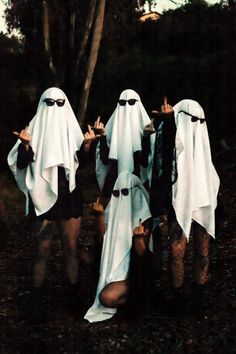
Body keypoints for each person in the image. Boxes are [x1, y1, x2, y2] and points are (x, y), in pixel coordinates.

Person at [8, 87, 97, 322]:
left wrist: (87, 146)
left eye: (60, 102)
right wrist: (26, 146)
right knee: (42, 250)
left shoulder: (71, 128)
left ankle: (74, 298)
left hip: (69, 195)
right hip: (43, 195)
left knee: (70, 246)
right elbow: (21, 164)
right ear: (41, 104)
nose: (54, 107)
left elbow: (81, 162)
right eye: (49, 102)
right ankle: (37, 303)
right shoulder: (33, 130)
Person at [144, 98, 220, 318]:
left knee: (201, 249)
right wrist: (168, 123)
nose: (195, 124)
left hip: (202, 198)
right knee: (178, 249)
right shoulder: (169, 136)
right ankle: (178, 300)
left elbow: (204, 168)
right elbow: (169, 153)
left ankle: (197, 300)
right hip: (179, 199)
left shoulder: (198, 141)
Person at [84, 171, 152, 323]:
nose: (121, 197)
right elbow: (103, 240)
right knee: (81, 256)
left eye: (126, 192)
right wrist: (100, 216)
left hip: (131, 276)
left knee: (106, 298)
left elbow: (143, 257)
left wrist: (139, 238)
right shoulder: (114, 211)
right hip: (110, 270)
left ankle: (131, 298)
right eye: (116, 193)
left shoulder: (143, 217)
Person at [89, 89, 154, 245]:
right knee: (113, 231)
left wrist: (145, 138)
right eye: (122, 103)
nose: (126, 107)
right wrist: (103, 136)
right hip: (115, 188)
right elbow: (105, 159)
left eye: (131, 103)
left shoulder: (145, 129)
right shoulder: (112, 129)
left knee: (139, 231)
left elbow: (146, 162)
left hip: (137, 188)